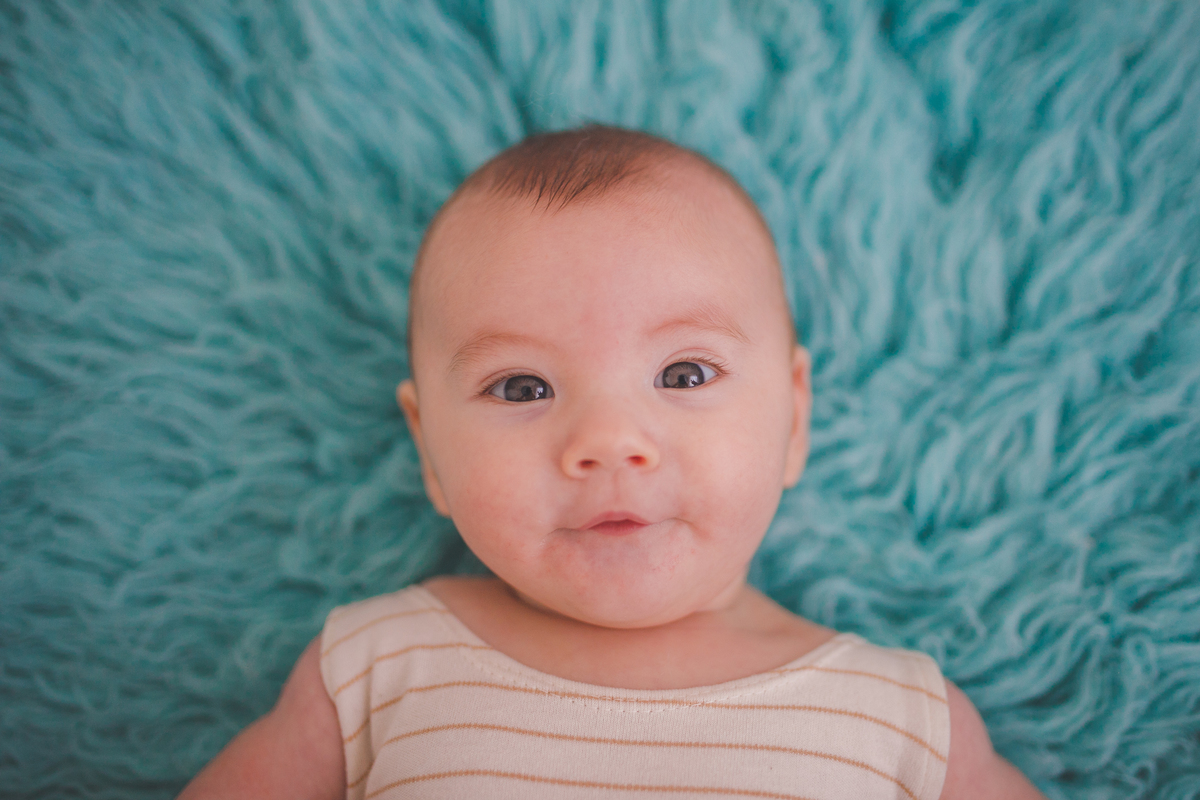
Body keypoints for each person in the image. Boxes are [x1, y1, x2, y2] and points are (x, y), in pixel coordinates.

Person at [178, 125, 1046, 799]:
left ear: (793, 419)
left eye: (684, 374)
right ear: (428, 448)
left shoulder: (903, 717)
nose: (607, 440)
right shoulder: (373, 670)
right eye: (521, 387)